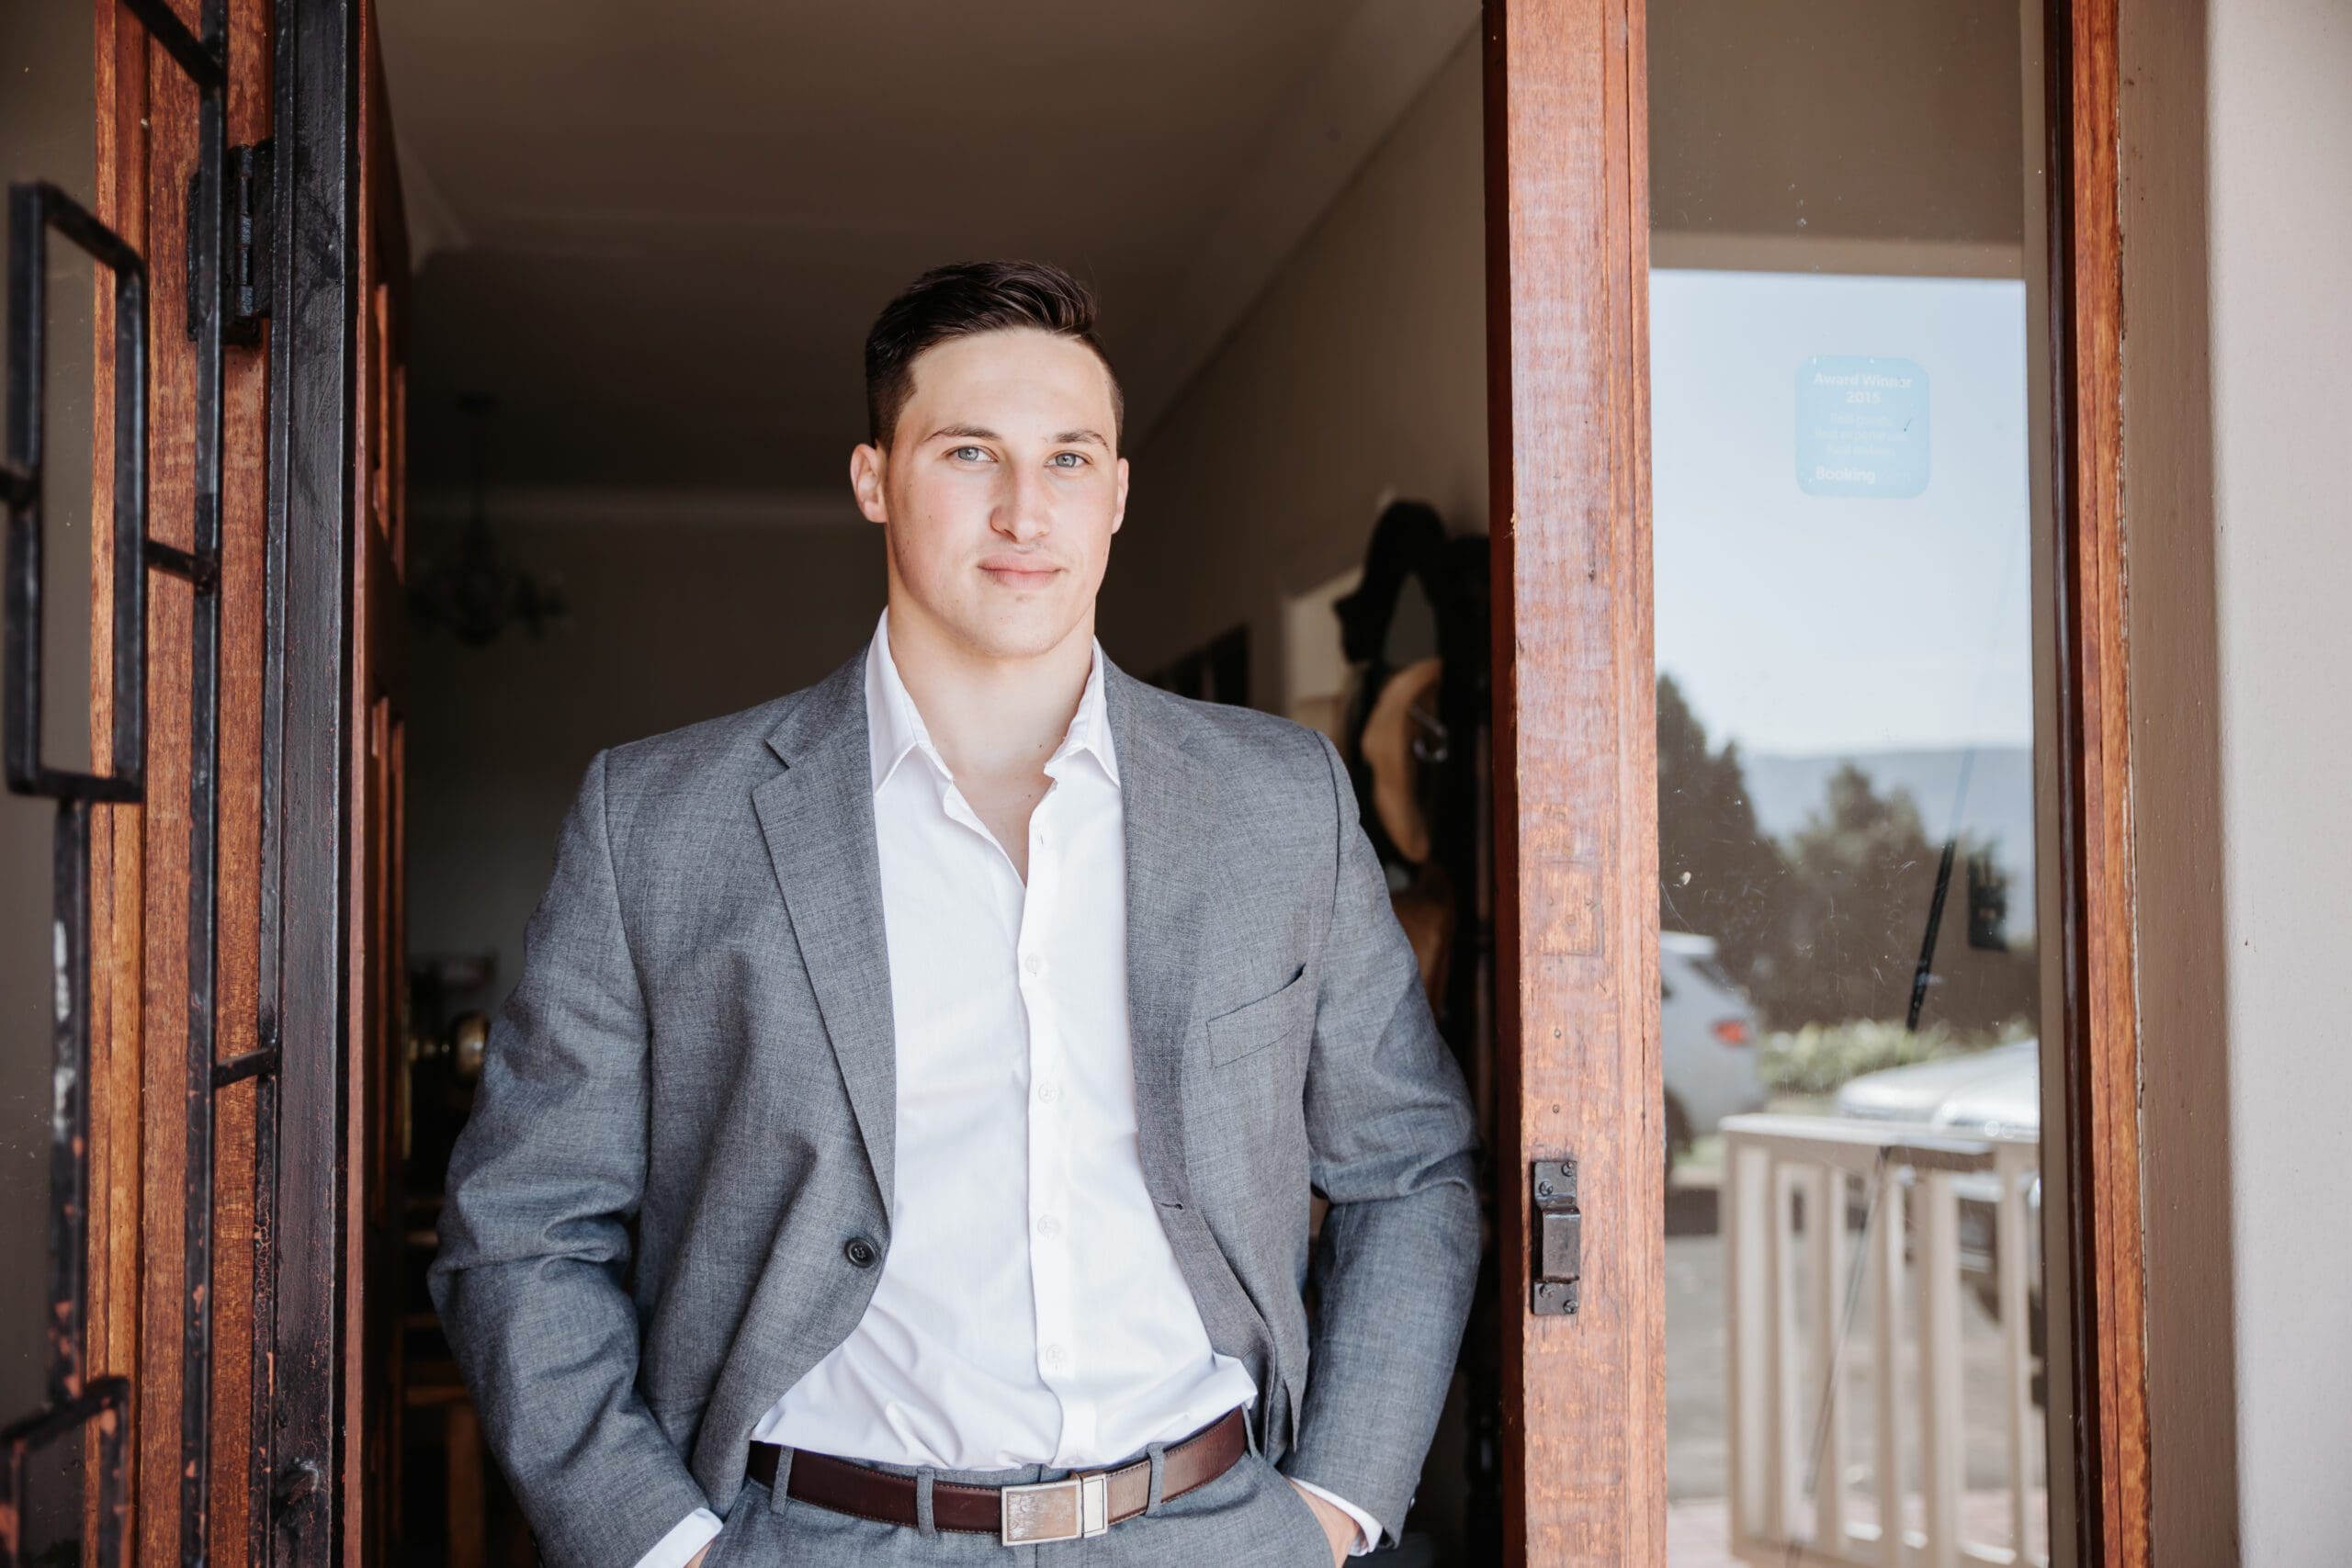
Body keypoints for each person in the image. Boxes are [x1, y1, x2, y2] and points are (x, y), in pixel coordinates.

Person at [430, 260, 1480, 1568]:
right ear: (875, 476)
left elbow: (1408, 1169)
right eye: (970, 452)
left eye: (1070, 459)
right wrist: (662, 1545)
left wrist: (1332, 1507)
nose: (1025, 510)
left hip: (1209, 1532)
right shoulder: (658, 819)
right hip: (815, 1539)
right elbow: (521, 1229)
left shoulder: (1283, 803)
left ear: (1119, 494)